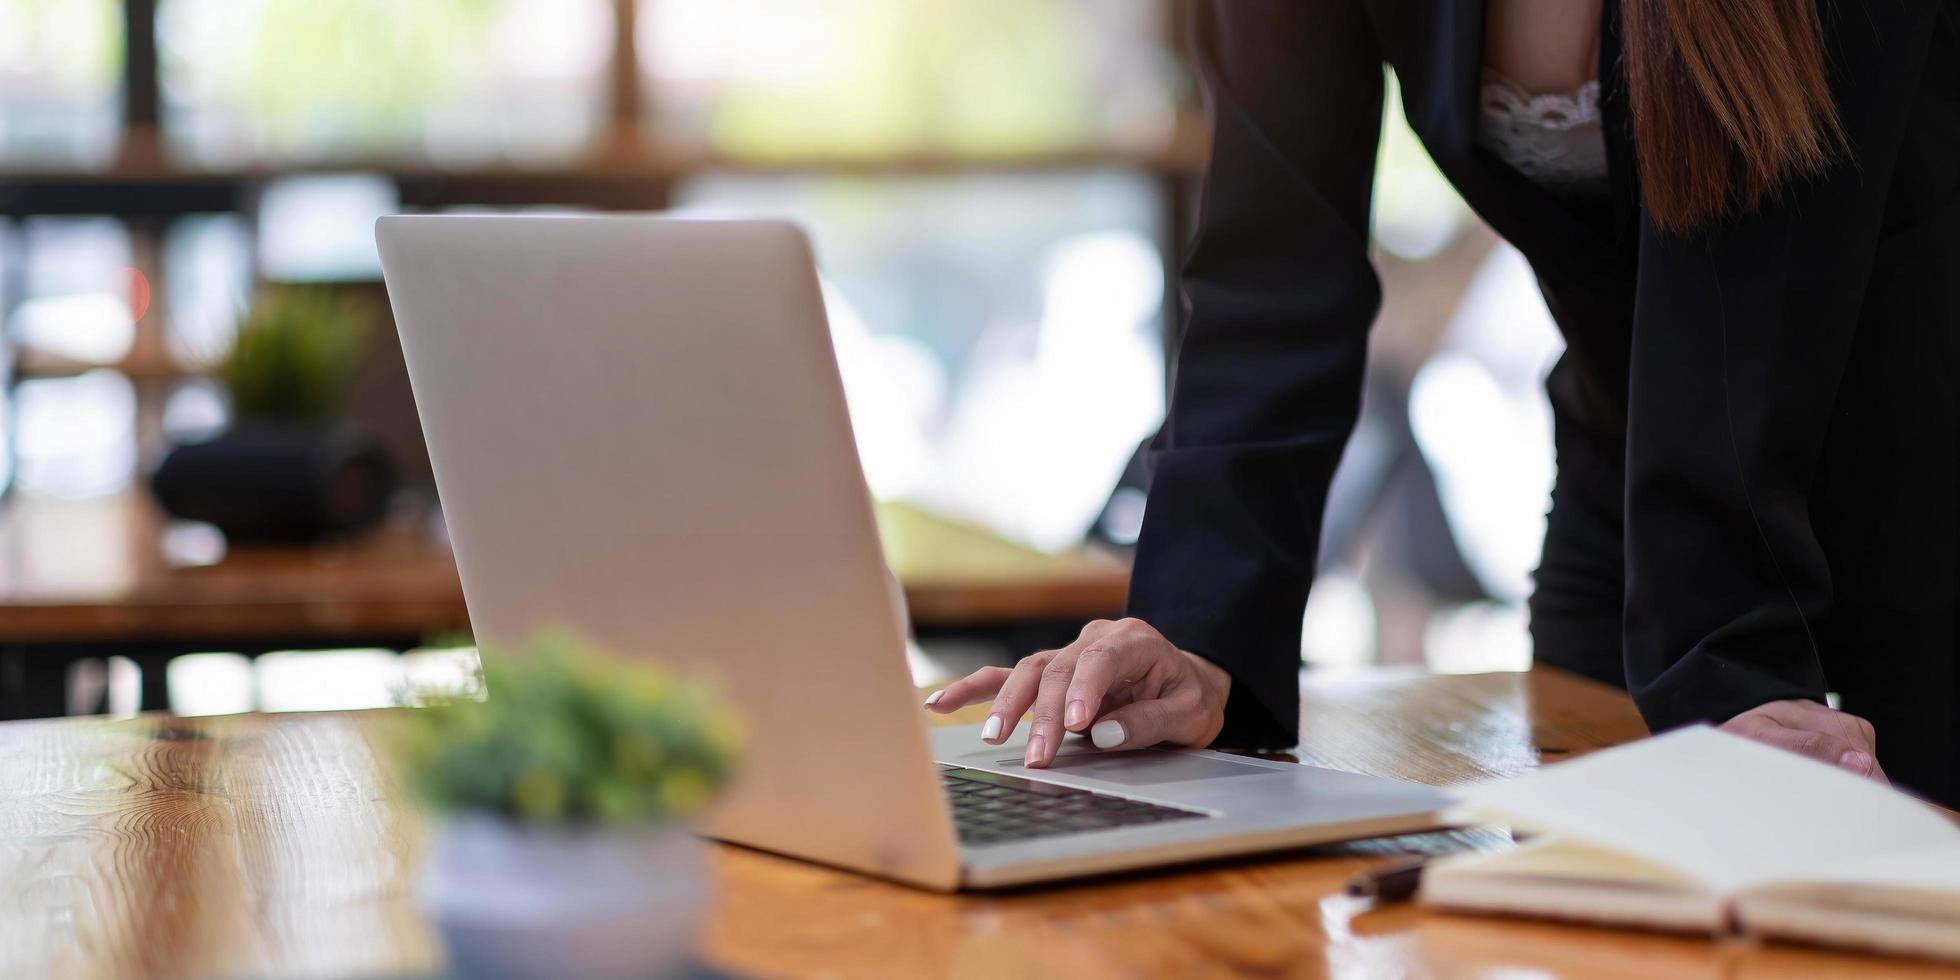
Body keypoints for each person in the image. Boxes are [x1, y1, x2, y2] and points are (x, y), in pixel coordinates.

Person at [926, 0, 1960, 806]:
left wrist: (1728, 672)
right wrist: (1195, 632)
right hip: (1646, 488)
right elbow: (1273, 269)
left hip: (1908, 493)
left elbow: (1751, 272)